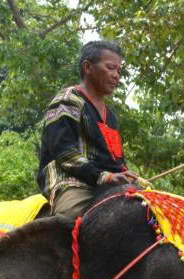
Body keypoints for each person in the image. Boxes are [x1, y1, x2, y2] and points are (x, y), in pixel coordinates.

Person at [37, 40, 140, 219]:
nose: (116, 75)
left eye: (118, 70)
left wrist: (124, 174)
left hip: (106, 184)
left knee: (154, 205)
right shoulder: (68, 100)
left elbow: (114, 160)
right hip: (71, 182)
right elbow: (65, 153)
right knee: (72, 217)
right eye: (110, 68)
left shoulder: (111, 116)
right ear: (87, 67)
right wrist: (102, 176)